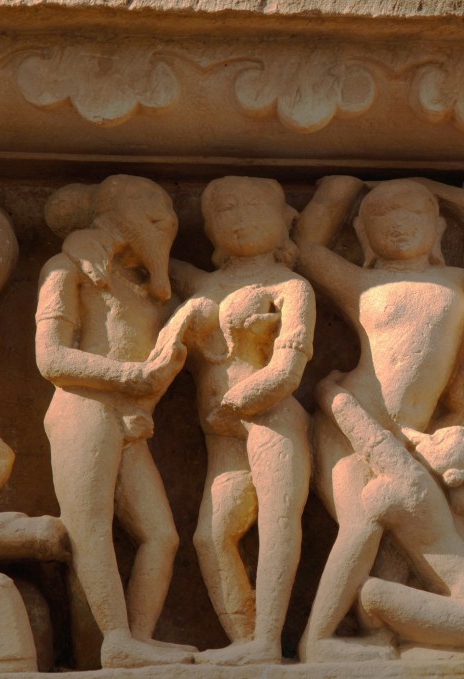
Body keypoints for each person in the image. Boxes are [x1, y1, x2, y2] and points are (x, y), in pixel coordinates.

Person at [293, 176, 464, 658]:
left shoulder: (461, 280)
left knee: (407, 539)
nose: (398, 223)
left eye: (413, 212)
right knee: (362, 525)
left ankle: (387, 631)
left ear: (438, 228)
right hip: (349, 422)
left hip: (422, 435)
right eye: (381, 215)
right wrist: (336, 192)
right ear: (361, 230)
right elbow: (307, 250)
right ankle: (319, 639)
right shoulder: (363, 283)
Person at [35, 175, 190, 668]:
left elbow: (151, 367)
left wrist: (143, 401)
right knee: (91, 529)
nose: (164, 223)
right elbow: (51, 357)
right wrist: (130, 377)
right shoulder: (66, 269)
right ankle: (116, 640)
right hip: (82, 408)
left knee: (161, 535)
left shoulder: (139, 286)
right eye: (152, 213)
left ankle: (138, 638)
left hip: (126, 417)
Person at [163, 176, 315, 665]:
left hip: (270, 418)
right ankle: (244, 638)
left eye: (253, 207)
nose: (241, 219)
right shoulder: (202, 284)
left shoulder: (290, 286)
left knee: (276, 522)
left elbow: (288, 369)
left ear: (284, 219)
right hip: (221, 431)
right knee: (212, 536)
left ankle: (267, 640)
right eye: (226, 211)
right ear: (208, 228)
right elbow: (150, 255)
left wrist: (236, 403)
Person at [309, 376, 464, 650]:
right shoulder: (452, 510)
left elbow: (370, 439)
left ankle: (321, 641)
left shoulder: (417, 485)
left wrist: (326, 390)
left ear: (456, 473)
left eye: (463, 438)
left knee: (370, 594)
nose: (455, 431)